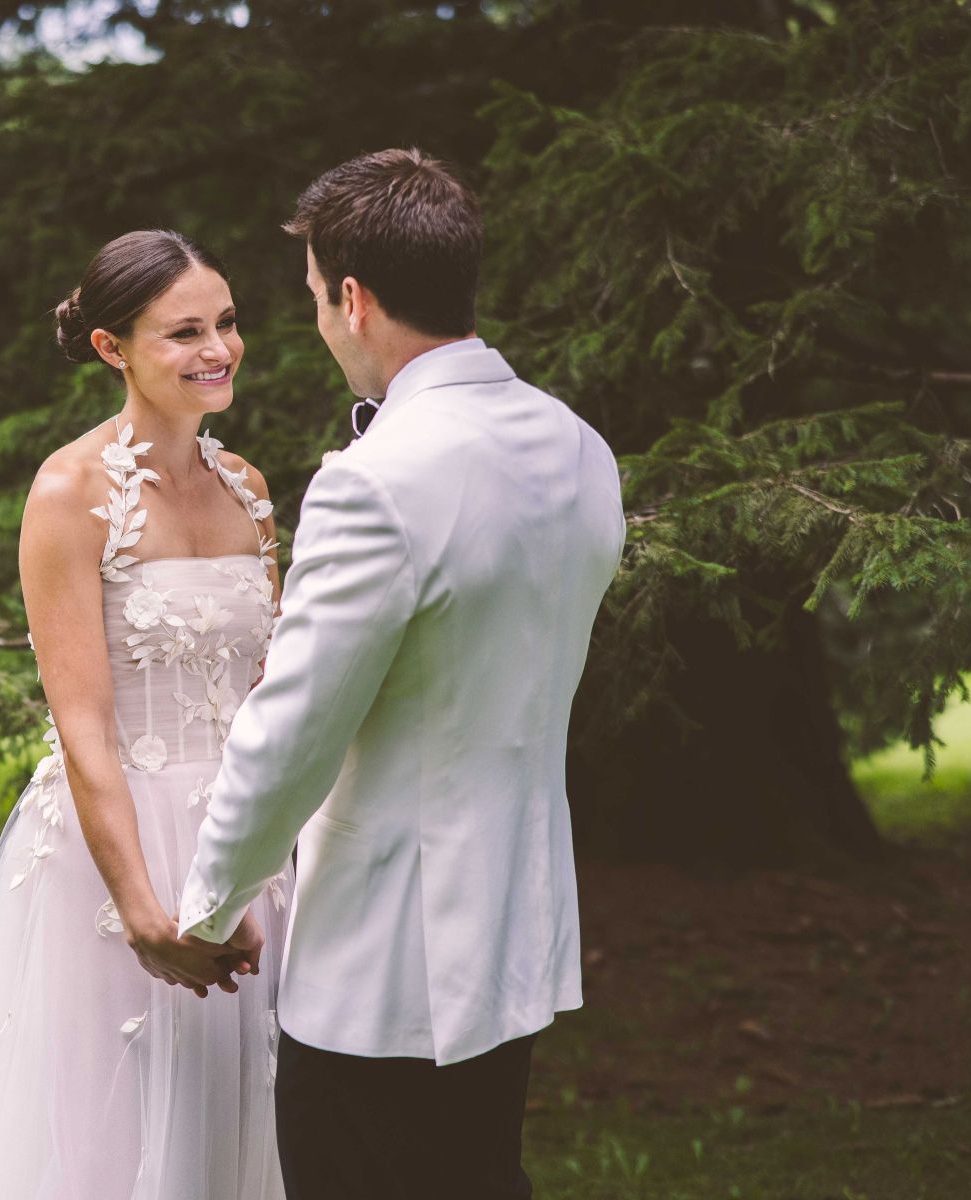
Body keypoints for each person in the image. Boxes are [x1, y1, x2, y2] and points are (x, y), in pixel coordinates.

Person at [176, 148, 627, 1199]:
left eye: (315, 303)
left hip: (386, 959)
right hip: (514, 931)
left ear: (353, 297)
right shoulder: (579, 448)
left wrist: (204, 910)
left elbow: (295, 730)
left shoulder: (376, 482)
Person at [0, 229, 290, 1199]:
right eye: (183, 332)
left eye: (226, 323)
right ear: (112, 348)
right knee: (106, 1131)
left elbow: (272, 689)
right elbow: (83, 721)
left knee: (249, 1118)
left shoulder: (249, 490)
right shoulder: (69, 492)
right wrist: (140, 907)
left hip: (248, 838)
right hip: (116, 844)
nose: (217, 348)